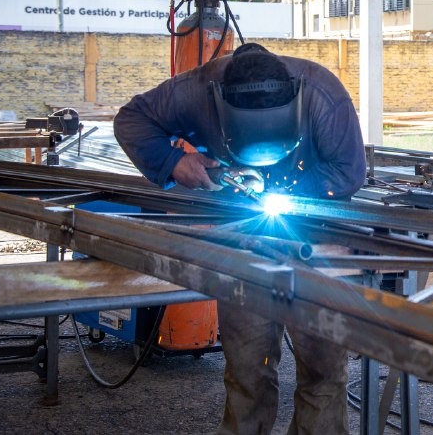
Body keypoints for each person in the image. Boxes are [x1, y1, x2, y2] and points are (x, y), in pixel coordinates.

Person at [113, 42, 367, 433]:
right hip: (243, 239)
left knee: (323, 374)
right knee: (248, 371)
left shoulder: (322, 94)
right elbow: (131, 119)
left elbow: (348, 173)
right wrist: (174, 162)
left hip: (319, 241)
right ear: (221, 109)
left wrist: (285, 192)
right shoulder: (197, 90)